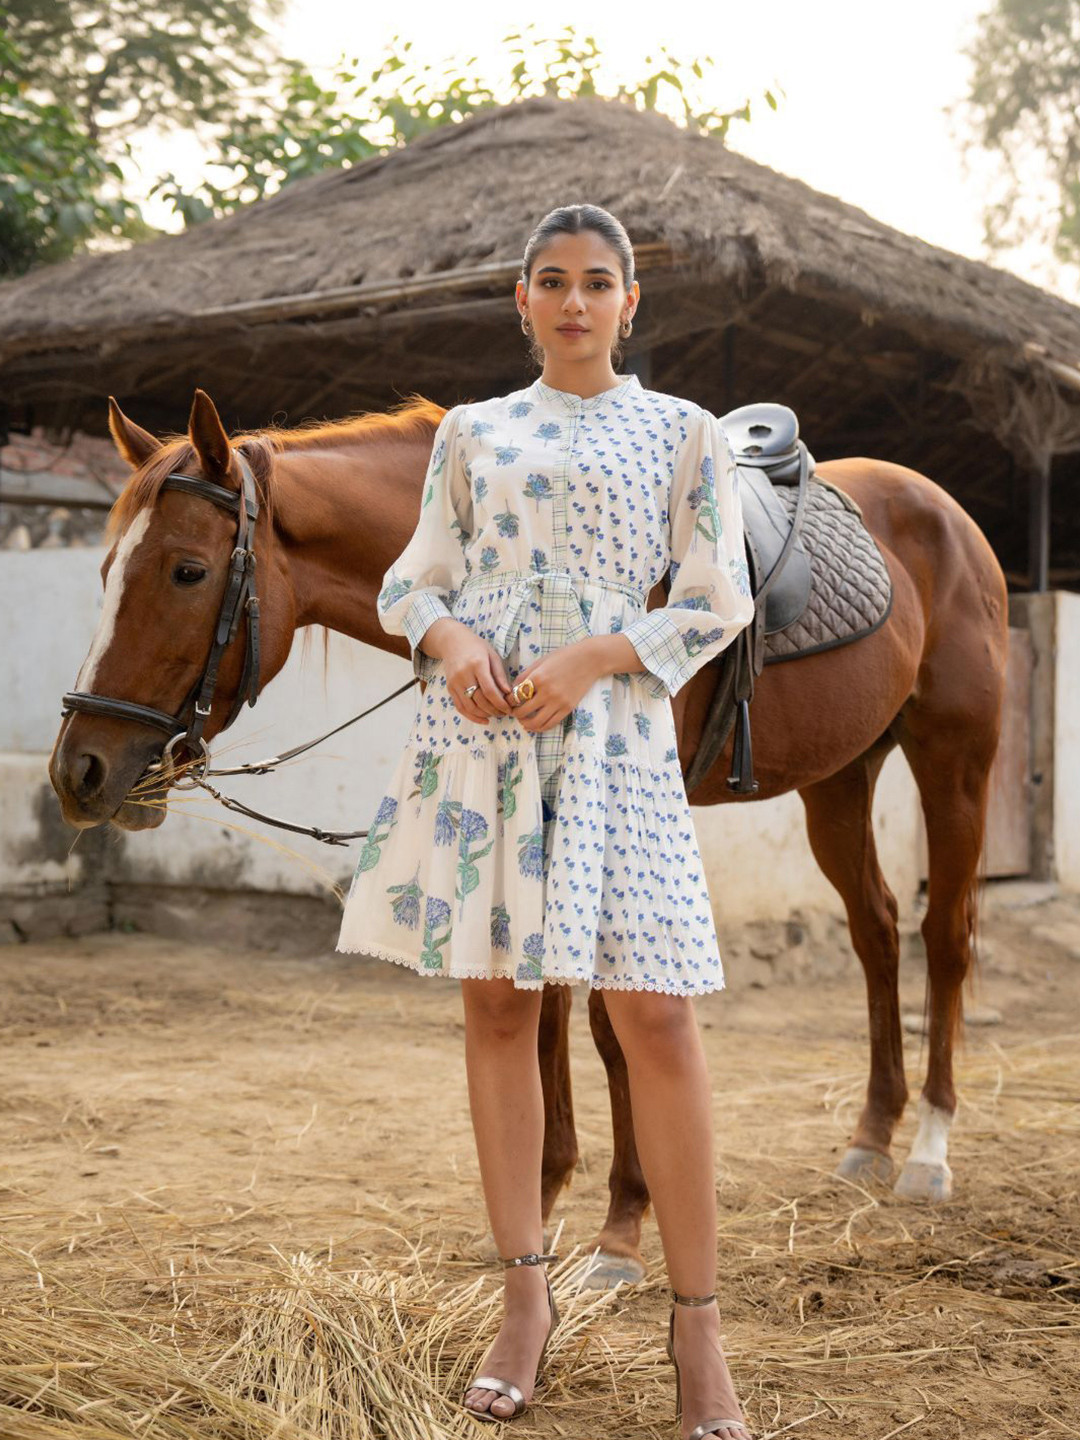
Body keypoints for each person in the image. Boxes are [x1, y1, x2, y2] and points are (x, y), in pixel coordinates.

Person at [336, 203, 757, 1439]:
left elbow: (718, 596)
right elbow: (411, 579)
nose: (574, 301)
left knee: (657, 1015)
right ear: (521, 300)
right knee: (500, 1004)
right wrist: (453, 634)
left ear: (632, 304)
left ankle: (699, 1326)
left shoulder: (684, 435)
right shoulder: (471, 434)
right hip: (482, 739)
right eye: (552, 281)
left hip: (615, 731)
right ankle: (526, 1298)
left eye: (598, 283)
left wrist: (600, 656)